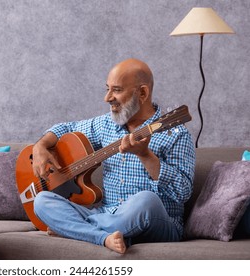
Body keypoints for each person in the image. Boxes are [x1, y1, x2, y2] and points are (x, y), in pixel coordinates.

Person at [32, 58, 195, 254]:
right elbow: (65, 128)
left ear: (142, 93)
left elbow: (183, 193)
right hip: (107, 213)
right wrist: (40, 146)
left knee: (146, 200)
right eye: (107, 89)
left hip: (158, 220)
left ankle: (77, 230)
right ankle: (104, 237)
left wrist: (146, 156)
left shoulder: (175, 134)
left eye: (116, 90)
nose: (107, 98)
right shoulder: (105, 125)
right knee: (42, 201)